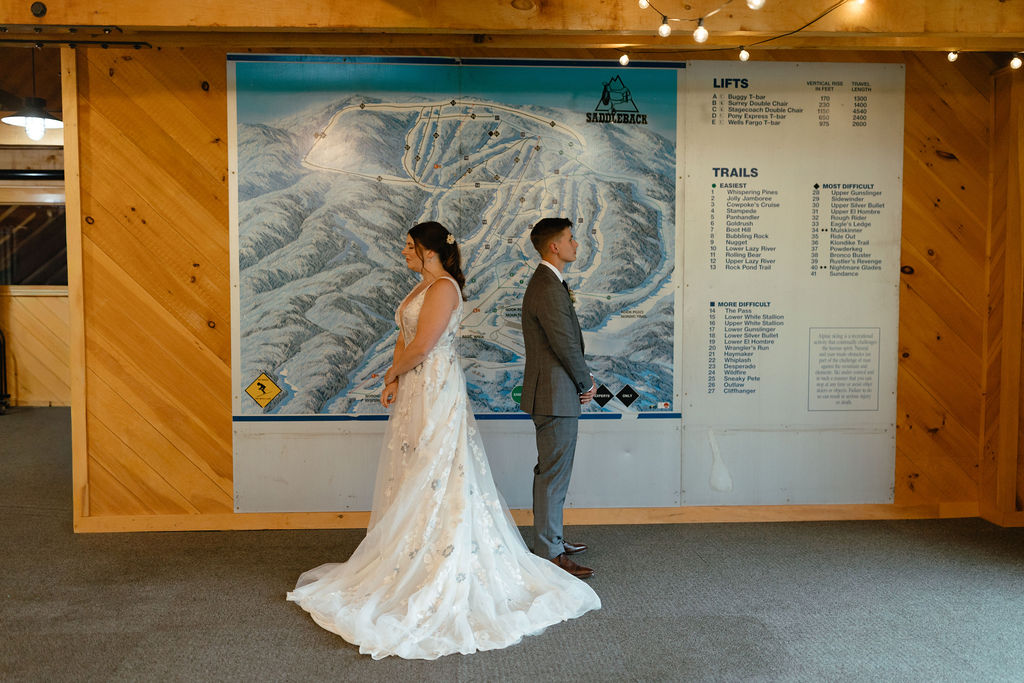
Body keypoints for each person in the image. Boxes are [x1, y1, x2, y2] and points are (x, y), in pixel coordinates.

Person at [287, 221, 600, 660]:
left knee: (437, 468)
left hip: (435, 390)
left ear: (431, 250)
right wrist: (393, 379)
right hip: (415, 389)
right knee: (413, 467)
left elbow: (424, 344)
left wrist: (396, 371)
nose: (404, 253)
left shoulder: (444, 289)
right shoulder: (419, 289)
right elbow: (404, 337)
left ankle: (438, 550)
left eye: (410, 247)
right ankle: (409, 545)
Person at [520, 217, 597, 579]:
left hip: (552, 394)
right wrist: (586, 383)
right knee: (553, 475)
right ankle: (550, 552)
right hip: (555, 395)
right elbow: (564, 343)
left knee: (550, 473)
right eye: (570, 238)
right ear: (554, 246)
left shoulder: (548, 282)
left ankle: (551, 539)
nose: (576, 244)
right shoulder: (549, 286)